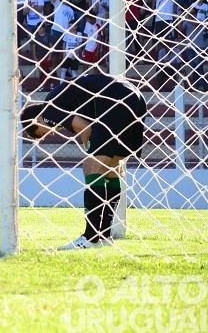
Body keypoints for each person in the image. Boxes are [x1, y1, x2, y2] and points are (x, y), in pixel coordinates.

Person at [20, 72, 147, 250]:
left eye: (42, 132)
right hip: (134, 97)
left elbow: (85, 127)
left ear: (36, 120)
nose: (51, 132)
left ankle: (91, 237)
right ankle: (104, 235)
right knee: (110, 170)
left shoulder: (48, 111)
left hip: (116, 99)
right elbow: (84, 127)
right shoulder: (61, 100)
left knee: (91, 167)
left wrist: (90, 153)